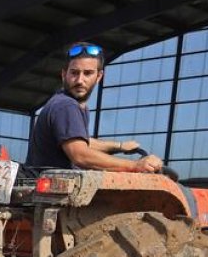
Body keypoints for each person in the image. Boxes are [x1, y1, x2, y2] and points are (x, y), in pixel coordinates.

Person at [27, 42, 164, 173]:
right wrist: (135, 165)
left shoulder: (73, 105)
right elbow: (80, 155)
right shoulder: (66, 106)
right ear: (64, 75)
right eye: (74, 73)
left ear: (99, 76)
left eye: (87, 73)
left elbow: (80, 141)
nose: (80, 80)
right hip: (50, 193)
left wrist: (119, 146)